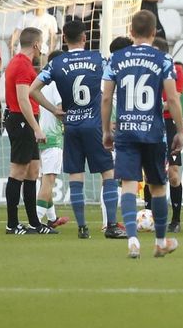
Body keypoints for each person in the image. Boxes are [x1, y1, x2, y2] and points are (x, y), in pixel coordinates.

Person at [30, 20, 126, 240]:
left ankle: (82, 227)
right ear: (84, 38)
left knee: (76, 176)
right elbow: (115, 81)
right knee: (108, 173)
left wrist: (54, 110)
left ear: (64, 39)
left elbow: (33, 89)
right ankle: (111, 224)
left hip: (71, 126)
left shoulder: (57, 63)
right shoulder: (98, 59)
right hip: (94, 125)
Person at [101, 10, 183, 258]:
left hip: (125, 130)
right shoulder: (164, 59)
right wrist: (180, 130)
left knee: (128, 185)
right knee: (158, 186)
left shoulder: (115, 59)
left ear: (131, 32)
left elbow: (106, 97)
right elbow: (172, 97)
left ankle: (132, 241)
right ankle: (160, 242)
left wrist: (107, 130)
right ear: (154, 32)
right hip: (154, 131)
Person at [4, 28, 57, 235]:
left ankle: (35, 223)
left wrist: (52, 110)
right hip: (22, 121)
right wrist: (36, 128)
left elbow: (32, 96)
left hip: (25, 119)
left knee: (33, 171)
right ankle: (12, 224)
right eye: (42, 42)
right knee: (18, 171)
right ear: (36, 44)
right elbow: (23, 99)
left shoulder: (19, 63)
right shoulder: (22, 66)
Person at [149, 38, 183, 233]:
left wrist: (150, 106)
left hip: (168, 124)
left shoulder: (176, 71)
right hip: (148, 124)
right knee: (150, 171)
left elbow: (174, 100)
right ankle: (149, 215)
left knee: (173, 174)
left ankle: (176, 218)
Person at [33, 50, 69, 230]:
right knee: (48, 180)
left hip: (40, 134)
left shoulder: (43, 82)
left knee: (45, 179)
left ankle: (52, 218)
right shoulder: (58, 83)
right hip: (53, 137)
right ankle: (37, 222)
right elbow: (60, 108)